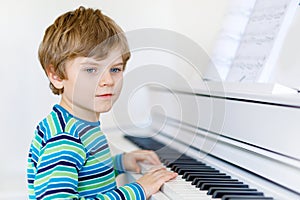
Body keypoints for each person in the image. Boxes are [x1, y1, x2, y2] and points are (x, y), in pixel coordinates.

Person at [27, 6, 177, 200]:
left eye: (115, 69)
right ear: (56, 75)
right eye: (91, 70)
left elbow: (86, 175)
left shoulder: (80, 126)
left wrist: (120, 163)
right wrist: (137, 190)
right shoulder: (64, 138)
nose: (107, 80)